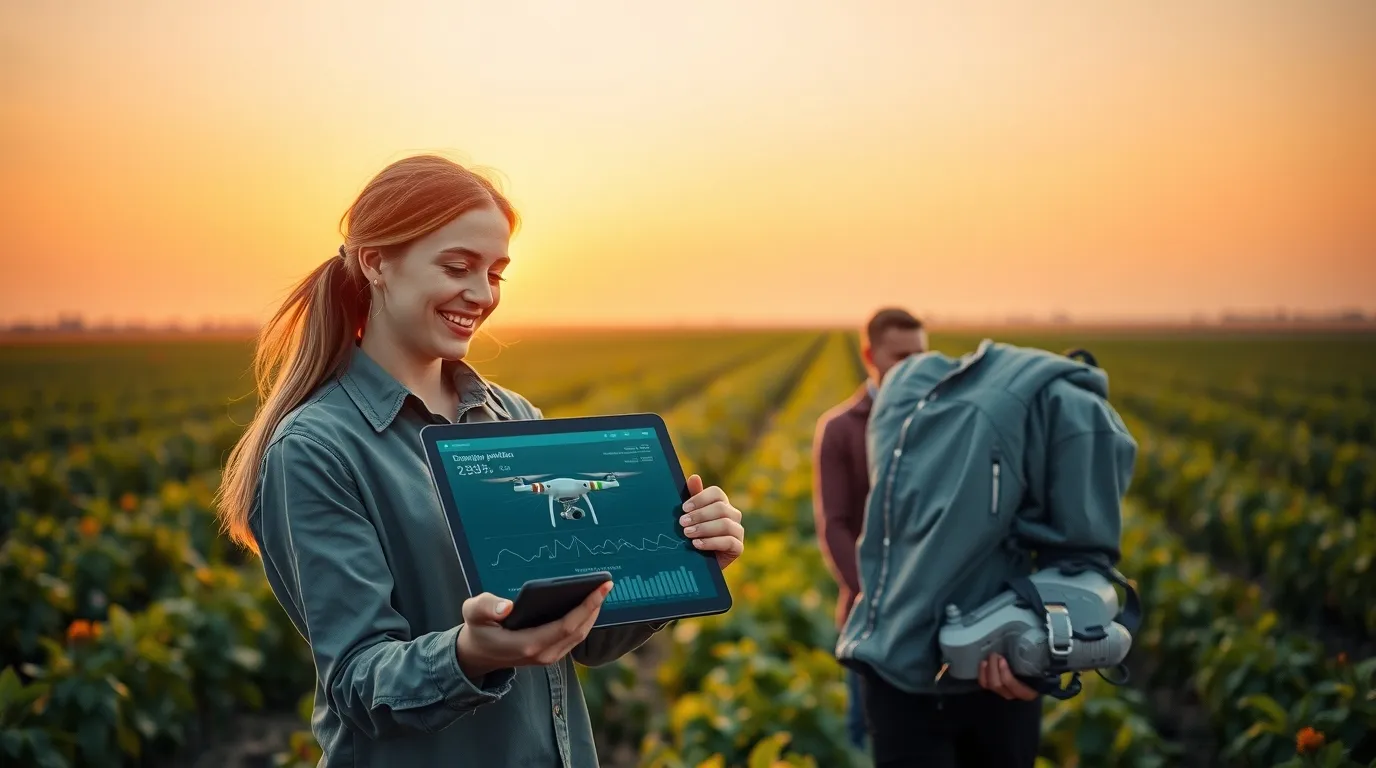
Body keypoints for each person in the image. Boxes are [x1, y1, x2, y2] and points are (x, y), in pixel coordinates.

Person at [214, 154, 747, 767]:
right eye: (458, 267)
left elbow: (586, 639)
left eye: (496, 273)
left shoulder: (512, 414)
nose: (482, 294)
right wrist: (471, 654)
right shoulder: (317, 448)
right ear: (376, 262)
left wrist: (685, 560)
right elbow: (359, 683)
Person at [812, 307, 928, 750]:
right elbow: (835, 526)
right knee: (872, 734)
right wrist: (877, 596)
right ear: (869, 355)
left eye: (920, 356)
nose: (913, 368)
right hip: (871, 614)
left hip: (937, 617)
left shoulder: (946, 420)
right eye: (900, 357)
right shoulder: (841, 428)